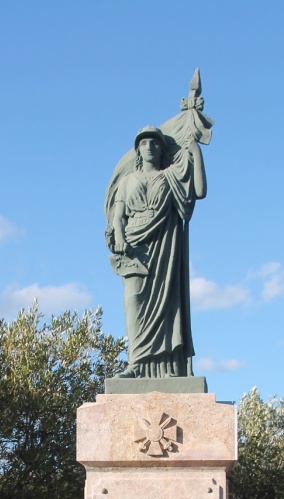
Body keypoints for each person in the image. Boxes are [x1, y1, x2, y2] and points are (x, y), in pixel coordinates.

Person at [104, 71, 212, 379]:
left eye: (154, 142)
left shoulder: (168, 178)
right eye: (144, 142)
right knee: (134, 303)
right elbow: (118, 214)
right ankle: (136, 364)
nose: (149, 146)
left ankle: (167, 367)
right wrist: (121, 238)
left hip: (165, 245)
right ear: (137, 150)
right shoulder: (128, 181)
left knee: (167, 305)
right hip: (135, 249)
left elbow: (199, 191)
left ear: (160, 148)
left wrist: (193, 151)